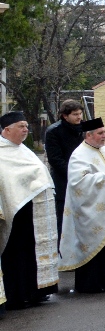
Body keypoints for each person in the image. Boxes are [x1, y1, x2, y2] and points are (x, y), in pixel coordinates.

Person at [59, 118, 105, 293]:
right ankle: (93, 283)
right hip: (92, 213)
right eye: (100, 133)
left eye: (104, 132)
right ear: (88, 135)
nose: (104, 136)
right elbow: (78, 183)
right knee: (96, 248)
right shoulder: (79, 155)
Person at [0, 111, 59, 312]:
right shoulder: (1, 152)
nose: (26, 129)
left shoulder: (24, 150)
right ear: (7, 130)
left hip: (33, 213)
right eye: (21, 126)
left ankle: (33, 292)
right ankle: (16, 296)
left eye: (26, 126)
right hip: (13, 212)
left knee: (30, 254)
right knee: (15, 256)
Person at [44, 99, 85, 235]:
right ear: (65, 116)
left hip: (86, 182)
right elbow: (55, 160)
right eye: (75, 114)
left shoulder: (86, 128)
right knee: (64, 223)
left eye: (80, 113)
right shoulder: (53, 131)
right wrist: (77, 173)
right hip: (64, 182)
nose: (79, 117)